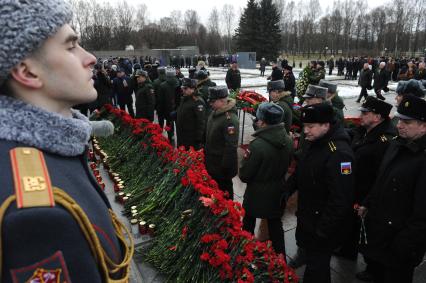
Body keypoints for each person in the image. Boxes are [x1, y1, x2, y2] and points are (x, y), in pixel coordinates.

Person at [0, 0, 133, 282]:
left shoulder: (50, 150)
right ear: (27, 72)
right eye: (71, 46)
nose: (90, 58)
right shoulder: (37, 214)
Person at [359, 94, 426, 283]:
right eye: (399, 120)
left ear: (424, 125)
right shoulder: (397, 144)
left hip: (401, 243)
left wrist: (404, 244)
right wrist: (368, 203)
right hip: (382, 232)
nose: (399, 125)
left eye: (407, 122)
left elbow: (422, 215)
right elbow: (382, 178)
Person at [285, 103, 355, 283]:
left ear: (326, 125)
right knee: (315, 266)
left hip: (323, 227)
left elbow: (341, 200)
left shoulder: (340, 154)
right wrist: (285, 191)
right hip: (309, 217)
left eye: (310, 126)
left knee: (317, 270)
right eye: (304, 126)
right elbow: (301, 170)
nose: (305, 131)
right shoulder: (315, 141)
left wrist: (322, 230)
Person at [339, 97, 396, 281]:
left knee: (369, 231)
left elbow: (382, 174)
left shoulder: (384, 140)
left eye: (365, 113)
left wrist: (368, 201)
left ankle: (374, 268)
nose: (360, 115)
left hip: (369, 192)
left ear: (378, 117)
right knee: (351, 222)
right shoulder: (365, 130)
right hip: (355, 186)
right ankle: (348, 250)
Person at [240, 103, 293, 256]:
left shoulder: (257, 145)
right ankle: (281, 258)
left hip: (256, 193)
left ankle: (245, 253)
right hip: (277, 190)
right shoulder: (288, 139)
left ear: (263, 122)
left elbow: (244, 175)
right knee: (275, 225)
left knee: (249, 222)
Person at [205, 86, 239, 200]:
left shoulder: (230, 120)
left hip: (221, 166)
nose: (210, 104)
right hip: (212, 162)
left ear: (222, 100)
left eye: (213, 101)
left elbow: (231, 146)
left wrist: (225, 168)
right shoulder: (215, 112)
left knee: (225, 192)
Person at [176, 78, 206, 150]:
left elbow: (201, 121)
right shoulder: (185, 98)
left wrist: (198, 139)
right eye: (182, 88)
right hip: (182, 136)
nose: (183, 90)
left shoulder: (197, 102)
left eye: (185, 88)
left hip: (191, 139)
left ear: (193, 89)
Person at [157, 69, 180, 142]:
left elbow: (160, 100)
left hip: (167, 108)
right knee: (178, 124)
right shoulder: (179, 83)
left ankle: (170, 136)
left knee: (169, 123)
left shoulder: (162, 85)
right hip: (177, 108)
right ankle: (178, 138)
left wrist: (159, 110)